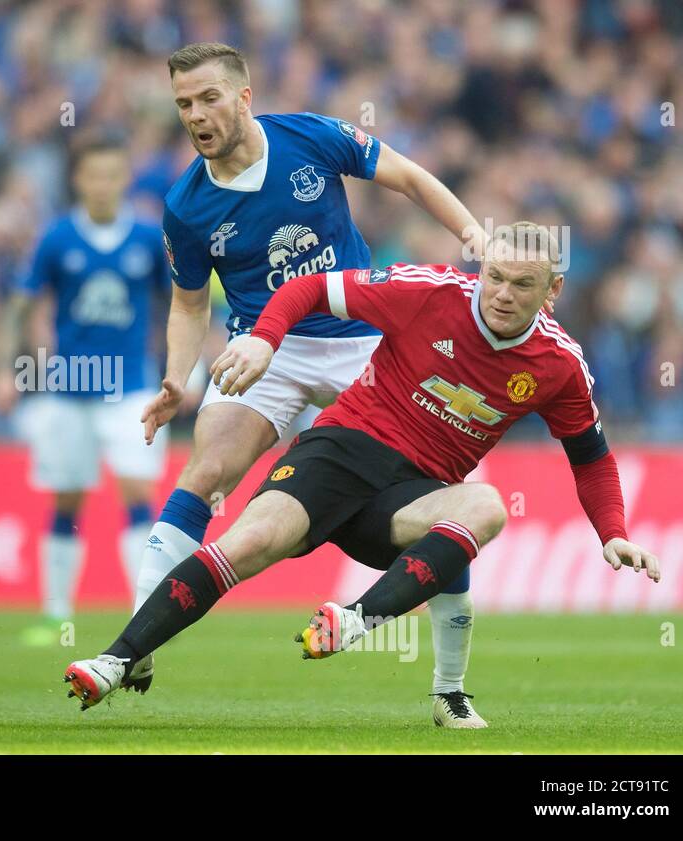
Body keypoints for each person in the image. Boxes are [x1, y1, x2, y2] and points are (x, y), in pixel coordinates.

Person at [64, 223, 660, 723]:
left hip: (410, 498)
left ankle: (371, 633)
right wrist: (267, 341)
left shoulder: (559, 365)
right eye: (494, 276)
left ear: (552, 290)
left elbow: (592, 460)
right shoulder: (429, 292)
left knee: (484, 506)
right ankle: (115, 661)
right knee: (248, 542)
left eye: (521, 284)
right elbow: (310, 287)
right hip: (341, 451)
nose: (500, 293)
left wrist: (613, 533)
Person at [130, 41, 494, 722]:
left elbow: (411, 178)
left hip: (362, 341)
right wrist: (176, 379)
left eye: (208, 97)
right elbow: (187, 303)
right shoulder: (185, 207)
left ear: (242, 96)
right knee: (206, 469)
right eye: (184, 104)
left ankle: (448, 688)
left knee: (447, 502)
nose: (196, 115)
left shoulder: (312, 137)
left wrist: (472, 231)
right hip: (265, 347)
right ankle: (139, 637)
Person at [0, 135, 170, 645]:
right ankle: (54, 614)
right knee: (67, 498)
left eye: (113, 175)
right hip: (69, 390)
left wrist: (184, 367)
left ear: (124, 178)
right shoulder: (57, 239)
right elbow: (20, 306)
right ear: (79, 179)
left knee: (137, 489)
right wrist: (7, 369)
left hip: (131, 388)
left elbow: (182, 299)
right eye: (94, 175)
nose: (103, 184)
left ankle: (144, 612)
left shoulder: (145, 237)